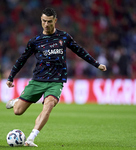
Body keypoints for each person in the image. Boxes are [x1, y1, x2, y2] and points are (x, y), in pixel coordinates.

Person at [6, 8, 107, 147]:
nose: (46, 24)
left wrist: (96, 64)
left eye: (49, 21)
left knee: (48, 105)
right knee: (18, 111)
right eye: (43, 21)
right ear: (41, 21)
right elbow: (22, 59)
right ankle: (16, 101)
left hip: (56, 81)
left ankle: (30, 138)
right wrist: (11, 76)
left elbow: (80, 51)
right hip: (38, 80)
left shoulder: (64, 37)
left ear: (55, 21)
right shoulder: (35, 41)